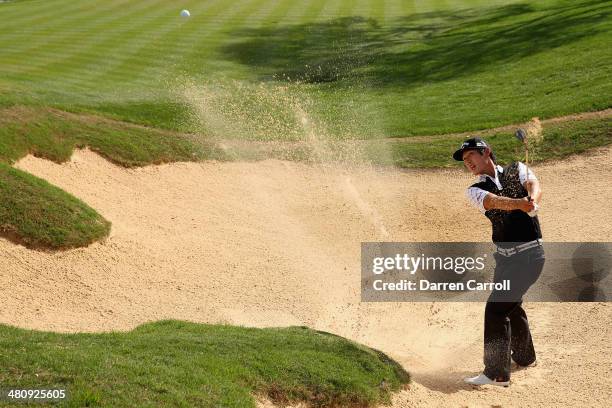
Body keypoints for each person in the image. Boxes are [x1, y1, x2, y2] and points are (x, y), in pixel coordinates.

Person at [453, 137, 546, 387]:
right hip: (505, 260)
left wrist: (533, 200)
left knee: (496, 310)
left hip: (529, 256)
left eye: (471, 155)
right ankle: (525, 358)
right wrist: (520, 205)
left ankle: (496, 374)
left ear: (487, 153)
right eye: (464, 160)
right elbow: (493, 202)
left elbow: (534, 184)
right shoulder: (474, 190)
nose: (468, 162)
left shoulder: (518, 168)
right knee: (510, 305)